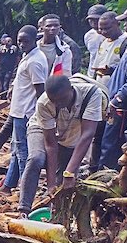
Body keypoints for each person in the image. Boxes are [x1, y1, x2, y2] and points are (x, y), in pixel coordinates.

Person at [18, 74, 107, 216]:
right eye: (54, 101)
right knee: (36, 158)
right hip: (41, 128)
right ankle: (23, 209)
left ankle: (58, 215)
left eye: (61, 100)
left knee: (66, 181)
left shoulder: (91, 94)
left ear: (71, 89)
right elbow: (51, 144)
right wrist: (50, 184)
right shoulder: (44, 103)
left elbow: (88, 134)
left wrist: (69, 172)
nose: (57, 104)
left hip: (72, 133)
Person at [2, 26, 48, 194]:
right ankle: (8, 185)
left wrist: (37, 114)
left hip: (26, 112)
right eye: (19, 41)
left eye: (25, 41)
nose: (21, 44)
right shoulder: (28, 56)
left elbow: (40, 90)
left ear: (35, 39)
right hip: (19, 109)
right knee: (16, 150)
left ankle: (25, 191)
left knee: (23, 152)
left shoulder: (35, 61)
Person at [102, 8, 127, 169]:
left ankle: (105, 183)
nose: (125, 23)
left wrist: (116, 100)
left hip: (122, 106)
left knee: (111, 145)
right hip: (117, 101)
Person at [91, 12, 127, 81]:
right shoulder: (103, 42)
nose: (104, 32)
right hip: (101, 86)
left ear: (118, 24)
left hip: (118, 87)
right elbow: (96, 67)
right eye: (101, 29)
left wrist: (110, 70)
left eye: (107, 28)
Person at [84, 5, 107, 72]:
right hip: (92, 72)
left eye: (97, 19)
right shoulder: (88, 35)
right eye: (91, 19)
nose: (94, 22)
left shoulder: (113, 34)